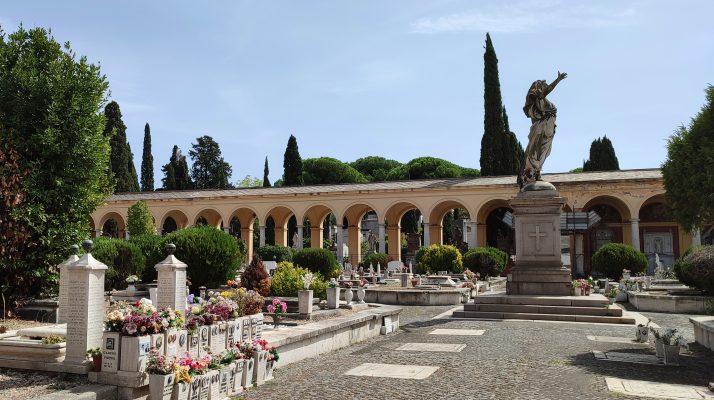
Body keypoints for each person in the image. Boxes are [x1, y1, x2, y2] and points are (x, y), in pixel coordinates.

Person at [518, 71, 567, 189]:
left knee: (544, 151)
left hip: (548, 131)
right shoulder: (540, 99)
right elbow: (545, 92)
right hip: (540, 129)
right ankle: (531, 173)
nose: (545, 88)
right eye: (543, 86)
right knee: (535, 151)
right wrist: (557, 80)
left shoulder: (544, 102)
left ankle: (537, 172)